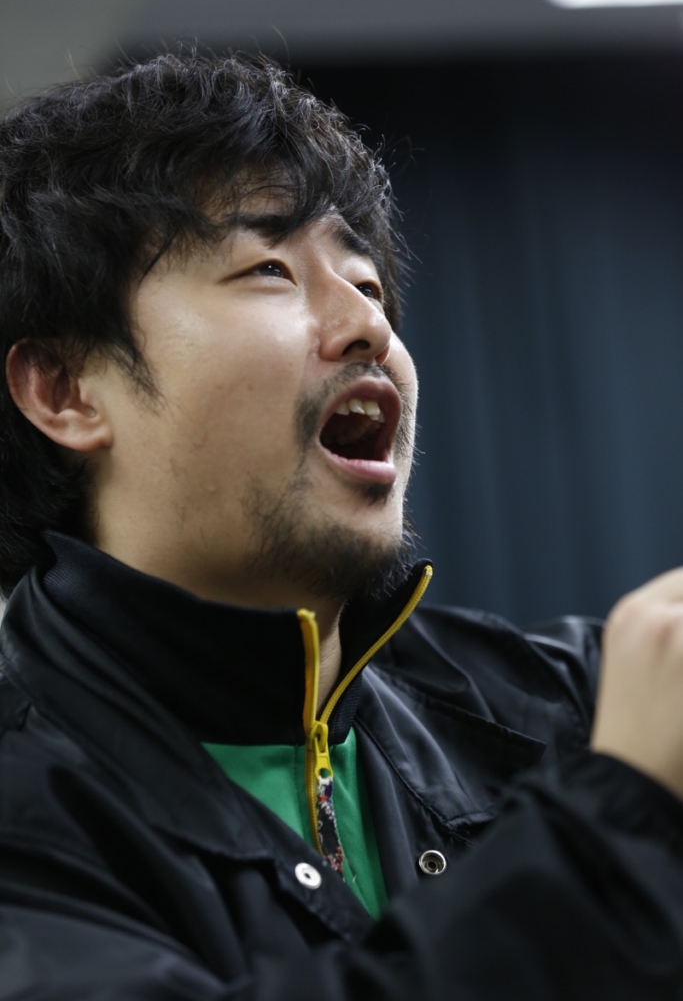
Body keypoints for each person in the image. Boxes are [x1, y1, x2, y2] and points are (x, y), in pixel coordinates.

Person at [0, 50, 681, 1000]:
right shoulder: (28, 807)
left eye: (365, 283)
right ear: (66, 389)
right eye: (269, 269)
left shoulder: (568, 706)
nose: (368, 328)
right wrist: (612, 830)